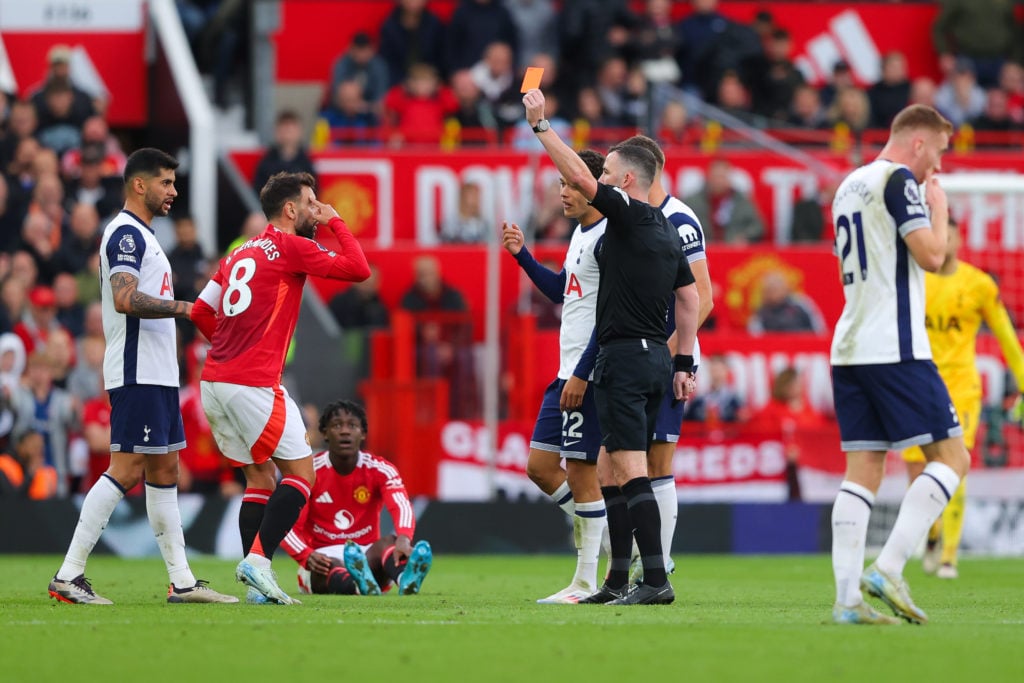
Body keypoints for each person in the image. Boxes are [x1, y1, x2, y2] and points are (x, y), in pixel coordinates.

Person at [524, 87, 700, 605]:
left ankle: (655, 580)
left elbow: (579, 177)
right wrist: (684, 359)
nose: (596, 183)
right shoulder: (669, 232)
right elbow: (688, 301)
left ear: (625, 182)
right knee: (606, 468)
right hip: (656, 358)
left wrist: (541, 126)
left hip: (623, 357)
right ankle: (617, 580)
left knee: (628, 470)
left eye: (606, 176)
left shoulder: (628, 216)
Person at [48, 147, 237, 605]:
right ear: (139, 184)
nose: (173, 191)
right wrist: (186, 308)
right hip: (137, 370)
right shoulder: (126, 235)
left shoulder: (147, 236)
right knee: (127, 468)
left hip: (159, 372)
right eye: (166, 182)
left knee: (165, 467)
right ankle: (69, 575)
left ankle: (183, 581)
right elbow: (124, 299)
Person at [190, 171, 370, 605]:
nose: (316, 209)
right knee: (301, 475)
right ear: (290, 210)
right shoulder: (292, 245)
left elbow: (199, 311)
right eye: (310, 203)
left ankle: (257, 586)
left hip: (214, 381)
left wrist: (230, 346)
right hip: (253, 382)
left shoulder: (238, 252)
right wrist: (336, 221)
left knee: (259, 478)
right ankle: (258, 561)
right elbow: (358, 269)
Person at [829, 104, 969, 626]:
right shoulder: (899, 181)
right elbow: (933, 257)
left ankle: (847, 602)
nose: (936, 166)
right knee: (953, 459)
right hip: (896, 347)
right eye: (937, 153)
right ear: (916, 143)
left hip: (849, 345)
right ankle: (889, 567)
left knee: (862, 470)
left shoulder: (849, 184)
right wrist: (940, 208)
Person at [501, 148, 609, 604]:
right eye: (560, 184)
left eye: (568, 183)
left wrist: (583, 373)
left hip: (586, 373)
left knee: (583, 473)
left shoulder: (608, 237)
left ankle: (585, 580)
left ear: (587, 183)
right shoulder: (580, 234)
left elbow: (610, 315)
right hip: (565, 372)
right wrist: (522, 255)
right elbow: (562, 290)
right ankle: (599, 529)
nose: (561, 192)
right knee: (542, 469)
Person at [900, 217, 1024, 579]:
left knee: (956, 464)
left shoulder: (979, 284)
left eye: (948, 234)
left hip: (961, 387)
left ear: (957, 238)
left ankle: (949, 558)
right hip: (918, 384)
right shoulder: (913, 280)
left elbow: (1005, 335)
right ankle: (933, 534)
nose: (942, 240)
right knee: (917, 470)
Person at [618, 134, 713, 577]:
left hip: (667, 359)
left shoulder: (680, 219)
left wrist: (673, 358)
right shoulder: (629, 218)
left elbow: (703, 299)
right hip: (633, 356)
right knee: (623, 459)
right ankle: (633, 560)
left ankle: (659, 562)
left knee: (657, 459)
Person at [280, 400, 433, 597]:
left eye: (352, 425)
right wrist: (306, 555)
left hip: (367, 557)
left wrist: (404, 539)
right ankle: (358, 584)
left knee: (390, 542)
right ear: (325, 433)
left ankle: (405, 580)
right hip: (323, 555)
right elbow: (287, 525)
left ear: (363, 433)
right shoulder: (308, 472)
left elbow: (401, 505)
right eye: (337, 425)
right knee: (331, 566)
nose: (345, 431)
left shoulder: (379, 469)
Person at [684, 157, 765, 245]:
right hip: (701, 251)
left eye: (722, 177)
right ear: (708, 177)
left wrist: (745, 238)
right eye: (716, 177)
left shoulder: (742, 201)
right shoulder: (692, 202)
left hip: (733, 252)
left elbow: (758, 226)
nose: (718, 181)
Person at [748, 271, 825, 334]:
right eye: (768, 290)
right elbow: (756, 338)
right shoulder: (760, 314)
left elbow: (819, 329)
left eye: (775, 288)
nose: (772, 293)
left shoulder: (801, 303)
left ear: (786, 288)